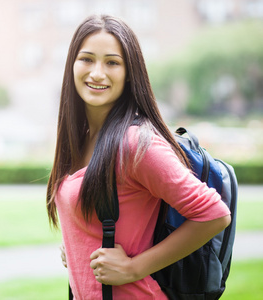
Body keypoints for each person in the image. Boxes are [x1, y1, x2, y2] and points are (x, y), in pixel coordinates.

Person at [46, 15, 231, 299]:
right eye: (86, 59)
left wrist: (133, 268)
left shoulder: (135, 144)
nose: (97, 73)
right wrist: (77, 244)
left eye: (112, 62)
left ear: (130, 72)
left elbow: (214, 215)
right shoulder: (81, 137)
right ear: (71, 64)